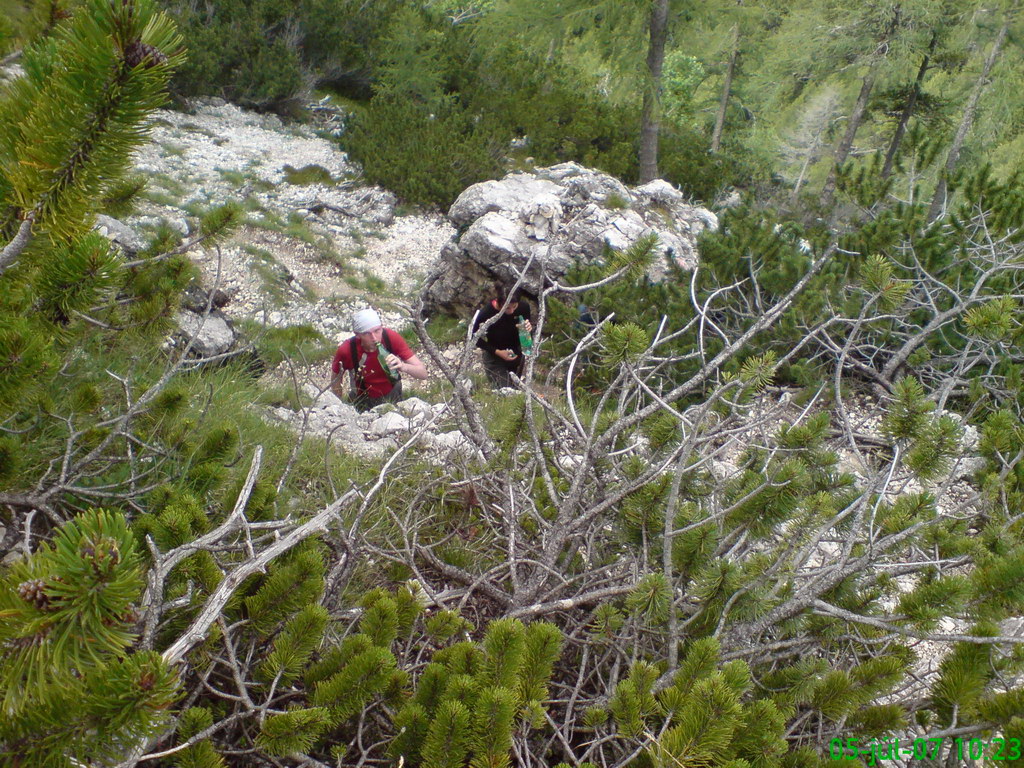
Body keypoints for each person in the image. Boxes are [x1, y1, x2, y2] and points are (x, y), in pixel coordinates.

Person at [330, 308, 427, 412]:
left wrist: (403, 366)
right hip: (361, 399)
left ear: (382, 327)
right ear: (357, 334)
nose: (374, 338)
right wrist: (338, 406)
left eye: (377, 331)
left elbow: (423, 373)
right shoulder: (347, 350)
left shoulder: (390, 338)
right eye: (367, 333)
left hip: (392, 394)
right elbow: (336, 379)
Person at [472, 283, 533, 389]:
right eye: (507, 308)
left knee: (515, 388)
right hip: (494, 354)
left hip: (516, 353)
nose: (511, 311)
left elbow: (526, 332)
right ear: (499, 303)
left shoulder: (523, 307)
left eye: (514, 307)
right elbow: (474, 338)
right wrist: (498, 352)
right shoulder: (486, 313)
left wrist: (528, 328)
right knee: (503, 390)